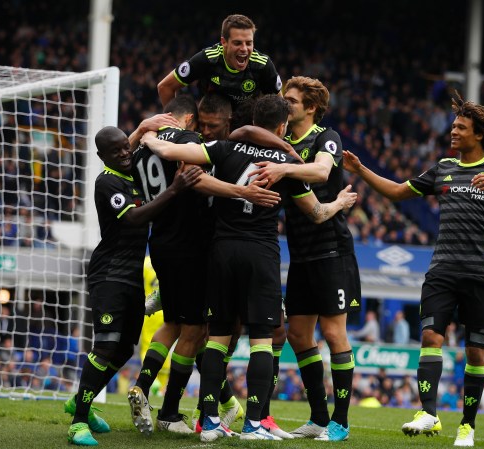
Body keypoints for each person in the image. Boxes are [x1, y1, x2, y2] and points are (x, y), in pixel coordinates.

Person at [141, 95, 357, 441]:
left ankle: (209, 421)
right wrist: (341, 202)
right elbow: (316, 213)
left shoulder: (226, 148)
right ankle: (254, 424)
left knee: (216, 338)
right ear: (282, 127)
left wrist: (148, 135)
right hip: (260, 254)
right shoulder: (285, 163)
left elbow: (172, 155)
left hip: (221, 251)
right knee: (261, 340)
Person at [343, 91, 484, 447]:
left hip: (480, 272)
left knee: (476, 350)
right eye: (454, 126)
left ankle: (467, 425)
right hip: (442, 268)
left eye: (461, 127)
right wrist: (361, 170)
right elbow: (399, 192)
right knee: (430, 337)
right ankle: (428, 412)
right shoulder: (442, 168)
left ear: (478, 134)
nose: (453, 132)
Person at [127, 96, 279, 435]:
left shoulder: (140, 150)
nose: (203, 130)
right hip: (195, 247)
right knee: (199, 333)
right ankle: (176, 411)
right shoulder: (194, 143)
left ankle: (153, 386)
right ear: (187, 120)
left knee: (179, 324)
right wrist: (245, 193)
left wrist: (142, 133)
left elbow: (122, 152)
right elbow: (190, 175)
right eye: (201, 124)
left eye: (211, 126)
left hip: (162, 242)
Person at [236, 76, 361, 441]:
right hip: (301, 253)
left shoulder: (327, 137)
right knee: (298, 334)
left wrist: (284, 168)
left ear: (311, 107)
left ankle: (340, 422)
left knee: (334, 332)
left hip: (332, 249)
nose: (285, 104)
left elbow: (322, 171)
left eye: (291, 100)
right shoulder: (282, 141)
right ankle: (319, 418)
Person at [64, 125, 202, 446]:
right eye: (116, 151)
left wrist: (145, 130)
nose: (125, 154)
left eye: (126, 147)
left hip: (131, 275)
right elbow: (134, 219)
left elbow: (143, 146)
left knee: (126, 349)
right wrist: (175, 189)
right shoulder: (107, 181)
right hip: (109, 274)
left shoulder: (132, 176)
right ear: (103, 157)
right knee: (107, 346)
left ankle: (79, 399)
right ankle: (78, 421)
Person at [157, 14, 282, 109]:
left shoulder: (263, 64)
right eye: (237, 43)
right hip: (211, 122)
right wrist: (174, 125)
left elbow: (281, 105)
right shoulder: (207, 59)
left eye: (249, 43)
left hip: (247, 125)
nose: (244, 49)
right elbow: (165, 87)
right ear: (224, 42)